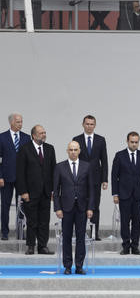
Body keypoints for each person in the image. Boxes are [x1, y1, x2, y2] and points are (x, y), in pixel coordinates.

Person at [53, 141, 96, 274]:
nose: (73, 152)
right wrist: (57, 208)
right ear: (67, 151)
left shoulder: (87, 166)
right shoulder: (60, 167)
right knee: (66, 237)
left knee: (80, 237)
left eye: (75, 149)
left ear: (79, 151)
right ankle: (67, 266)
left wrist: (90, 208)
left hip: (82, 207)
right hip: (66, 208)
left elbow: (91, 189)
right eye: (71, 149)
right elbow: (56, 190)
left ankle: (79, 266)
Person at [16, 125, 56, 255]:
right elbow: (20, 172)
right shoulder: (24, 149)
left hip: (46, 192)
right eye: (41, 133)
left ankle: (42, 246)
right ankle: (31, 246)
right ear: (33, 135)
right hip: (30, 192)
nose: (43, 135)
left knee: (44, 221)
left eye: (44, 132)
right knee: (32, 221)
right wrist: (23, 191)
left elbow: (53, 170)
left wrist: (53, 190)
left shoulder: (50, 149)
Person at [111, 132, 140, 255]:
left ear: (138, 142)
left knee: (137, 222)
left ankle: (135, 246)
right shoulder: (120, 155)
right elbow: (114, 176)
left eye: (136, 142)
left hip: (138, 194)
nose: (134, 144)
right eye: (132, 142)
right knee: (125, 221)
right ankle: (126, 246)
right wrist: (115, 194)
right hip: (124, 194)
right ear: (127, 141)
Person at [73, 115, 108, 241]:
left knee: (95, 205)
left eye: (92, 124)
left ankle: (94, 233)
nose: (89, 126)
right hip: (80, 179)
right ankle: (80, 232)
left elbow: (104, 160)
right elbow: (74, 159)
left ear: (95, 125)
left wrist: (105, 179)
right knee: (80, 206)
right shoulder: (76, 139)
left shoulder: (100, 140)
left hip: (96, 179)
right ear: (83, 124)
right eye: (87, 124)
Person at [0, 113, 30, 240]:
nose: (20, 124)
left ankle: (20, 231)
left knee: (22, 205)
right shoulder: (2, 138)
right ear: (11, 122)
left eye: (21, 122)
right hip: (6, 177)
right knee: (5, 205)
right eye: (18, 122)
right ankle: (5, 232)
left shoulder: (26, 138)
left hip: (22, 178)